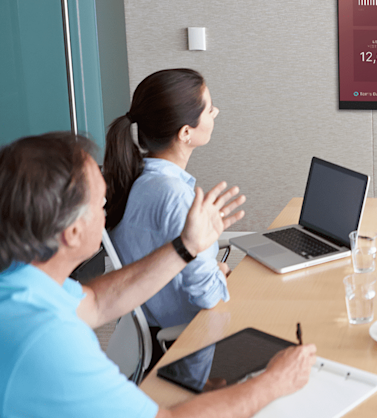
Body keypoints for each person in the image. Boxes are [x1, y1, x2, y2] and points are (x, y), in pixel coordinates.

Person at [0, 132, 315, 417]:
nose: (107, 210)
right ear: (71, 232)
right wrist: (273, 382)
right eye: (100, 204)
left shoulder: (19, 284)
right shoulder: (50, 340)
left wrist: (186, 246)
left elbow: (96, 303)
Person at [104, 69, 229, 349]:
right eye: (209, 109)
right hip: (188, 339)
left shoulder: (136, 179)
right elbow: (207, 297)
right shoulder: (176, 196)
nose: (216, 112)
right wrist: (218, 274)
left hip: (151, 322)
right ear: (186, 133)